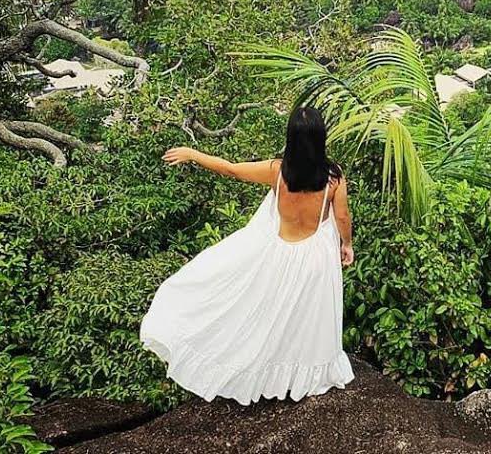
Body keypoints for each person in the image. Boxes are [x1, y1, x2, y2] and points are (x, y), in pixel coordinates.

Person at [139, 103, 355, 404]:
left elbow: (230, 169)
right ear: (321, 138)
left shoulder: (277, 171)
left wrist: (193, 154)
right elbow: (342, 217)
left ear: (291, 138)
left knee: (273, 313)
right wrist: (346, 244)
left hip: (280, 253)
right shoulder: (334, 178)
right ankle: (304, 375)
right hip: (315, 257)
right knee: (307, 318)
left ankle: (268, 368)